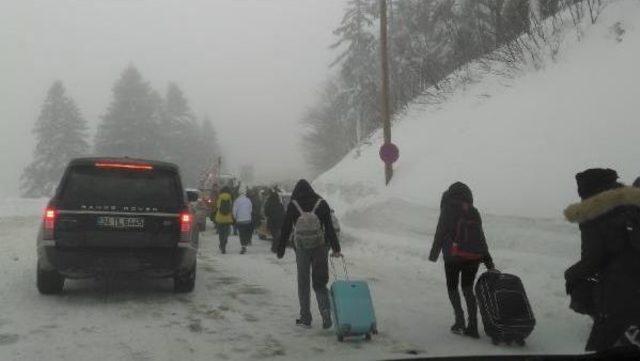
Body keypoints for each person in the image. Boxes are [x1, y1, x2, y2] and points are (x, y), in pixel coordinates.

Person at [564, 168, 640, 351]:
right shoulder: (631, 202)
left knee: (603, 341)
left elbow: (592, 259)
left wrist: (570, 276)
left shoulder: (593, 213)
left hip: (621, 285)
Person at [429, 182, 494, 338]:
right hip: (473, 257)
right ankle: (472, 325)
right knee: (467, 288)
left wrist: (434, 254)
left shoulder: (447, 209)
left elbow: (440, 232)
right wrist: (488, 261)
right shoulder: (474, 211)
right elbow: (480, 237)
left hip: (452, 256)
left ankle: (459, 321)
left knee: (452, 287)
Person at [276, 179, 341, 329]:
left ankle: (305, 318)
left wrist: (281, 249)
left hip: (302, 249)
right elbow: (330, 228)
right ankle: (326, 317)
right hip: (320, 247)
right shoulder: (321, 203)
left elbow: (286, 227)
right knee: (320, 282)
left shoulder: (294, 205)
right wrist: (336, 248)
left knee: (303, 283)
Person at [264, 188, 285, 253]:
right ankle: (275, 248)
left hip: (272, 222)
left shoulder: (268, 203)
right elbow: (283, 213)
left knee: (275, 235)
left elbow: (266, 213)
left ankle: (274, 248)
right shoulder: (280, 204)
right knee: (277, 235)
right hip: (279, 222)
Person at [215, 187, 234, 254]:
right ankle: (224, 245)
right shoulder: (230, 198)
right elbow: (231, 207)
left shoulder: (220, 198)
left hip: (220, 219)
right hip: (228, 219)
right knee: (226, 233)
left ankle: (221, 245)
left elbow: (218, 207)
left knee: (221, 233)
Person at [233, 190, 253, 255]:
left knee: (241, 233)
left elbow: (234, 210)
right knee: (246, 232)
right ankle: (246, 241)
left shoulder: (237, 201)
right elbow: (250, 209)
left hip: (240, 220)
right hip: (248, 220)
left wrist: (235, 217)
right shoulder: (248, 200)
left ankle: (243, 246)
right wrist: (248, 215)